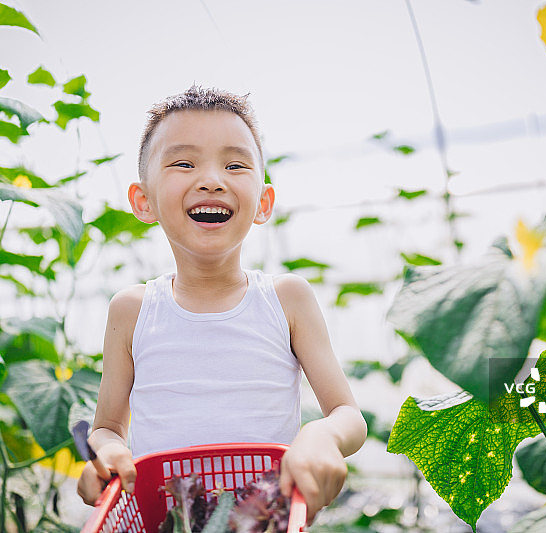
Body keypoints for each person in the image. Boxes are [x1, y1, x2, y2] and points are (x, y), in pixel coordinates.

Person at [76, 86, 367, 525]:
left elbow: (348, 416)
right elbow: (107, 427)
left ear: (263, 203)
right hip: (167, 519)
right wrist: (109, 455)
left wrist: (320, 435)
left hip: (267, 518)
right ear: (143, 201)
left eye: (234, 165)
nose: (212, 179)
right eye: (183, 163)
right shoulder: (132, 310)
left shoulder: (286, 299)